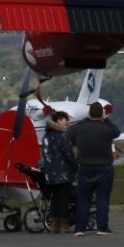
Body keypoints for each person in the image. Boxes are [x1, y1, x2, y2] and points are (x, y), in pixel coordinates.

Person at [68, 101, 121, 236]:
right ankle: (102, 227)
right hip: (104, 167)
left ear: (89, 112)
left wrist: (85, 119)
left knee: (83, 199)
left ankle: (80, 228)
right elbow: (117, 132)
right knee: (102, 199)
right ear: (101, 113)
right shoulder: (107, 128)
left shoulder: (80, 128)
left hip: (85, 167)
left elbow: (69, 136)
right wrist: (106, 119)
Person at [41, 110, 77, 234]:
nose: (66, 121)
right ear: (57, 120)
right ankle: (64, 226)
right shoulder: (63, 135)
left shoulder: (46, 136)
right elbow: (69, 154)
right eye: (63, 119)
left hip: (50, 173)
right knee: (64, 199)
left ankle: (54, 226)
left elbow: (45, 154)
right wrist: (75, 165)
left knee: (55, 199)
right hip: (63, 173)